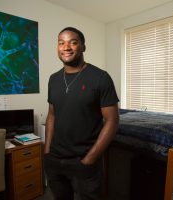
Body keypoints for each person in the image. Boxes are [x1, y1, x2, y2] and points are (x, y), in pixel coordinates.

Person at [44, 27, 119, 200]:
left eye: (73, 42)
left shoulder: (100, 78)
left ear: (83, 47)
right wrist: (47, 151)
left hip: (83, 160)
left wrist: (90, 159)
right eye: (61, 43)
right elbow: (52, 115)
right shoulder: (53, 79)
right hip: (55, 159)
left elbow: (112, 121)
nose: (66, 47)